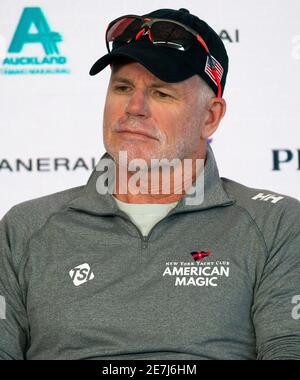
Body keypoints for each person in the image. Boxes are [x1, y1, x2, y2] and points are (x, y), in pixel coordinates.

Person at [0, 7, 299, 360]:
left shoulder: (276, 224)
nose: (134, 107)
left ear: (210, 117)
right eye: (123, 87)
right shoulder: (25, 227)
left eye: (161, 93)